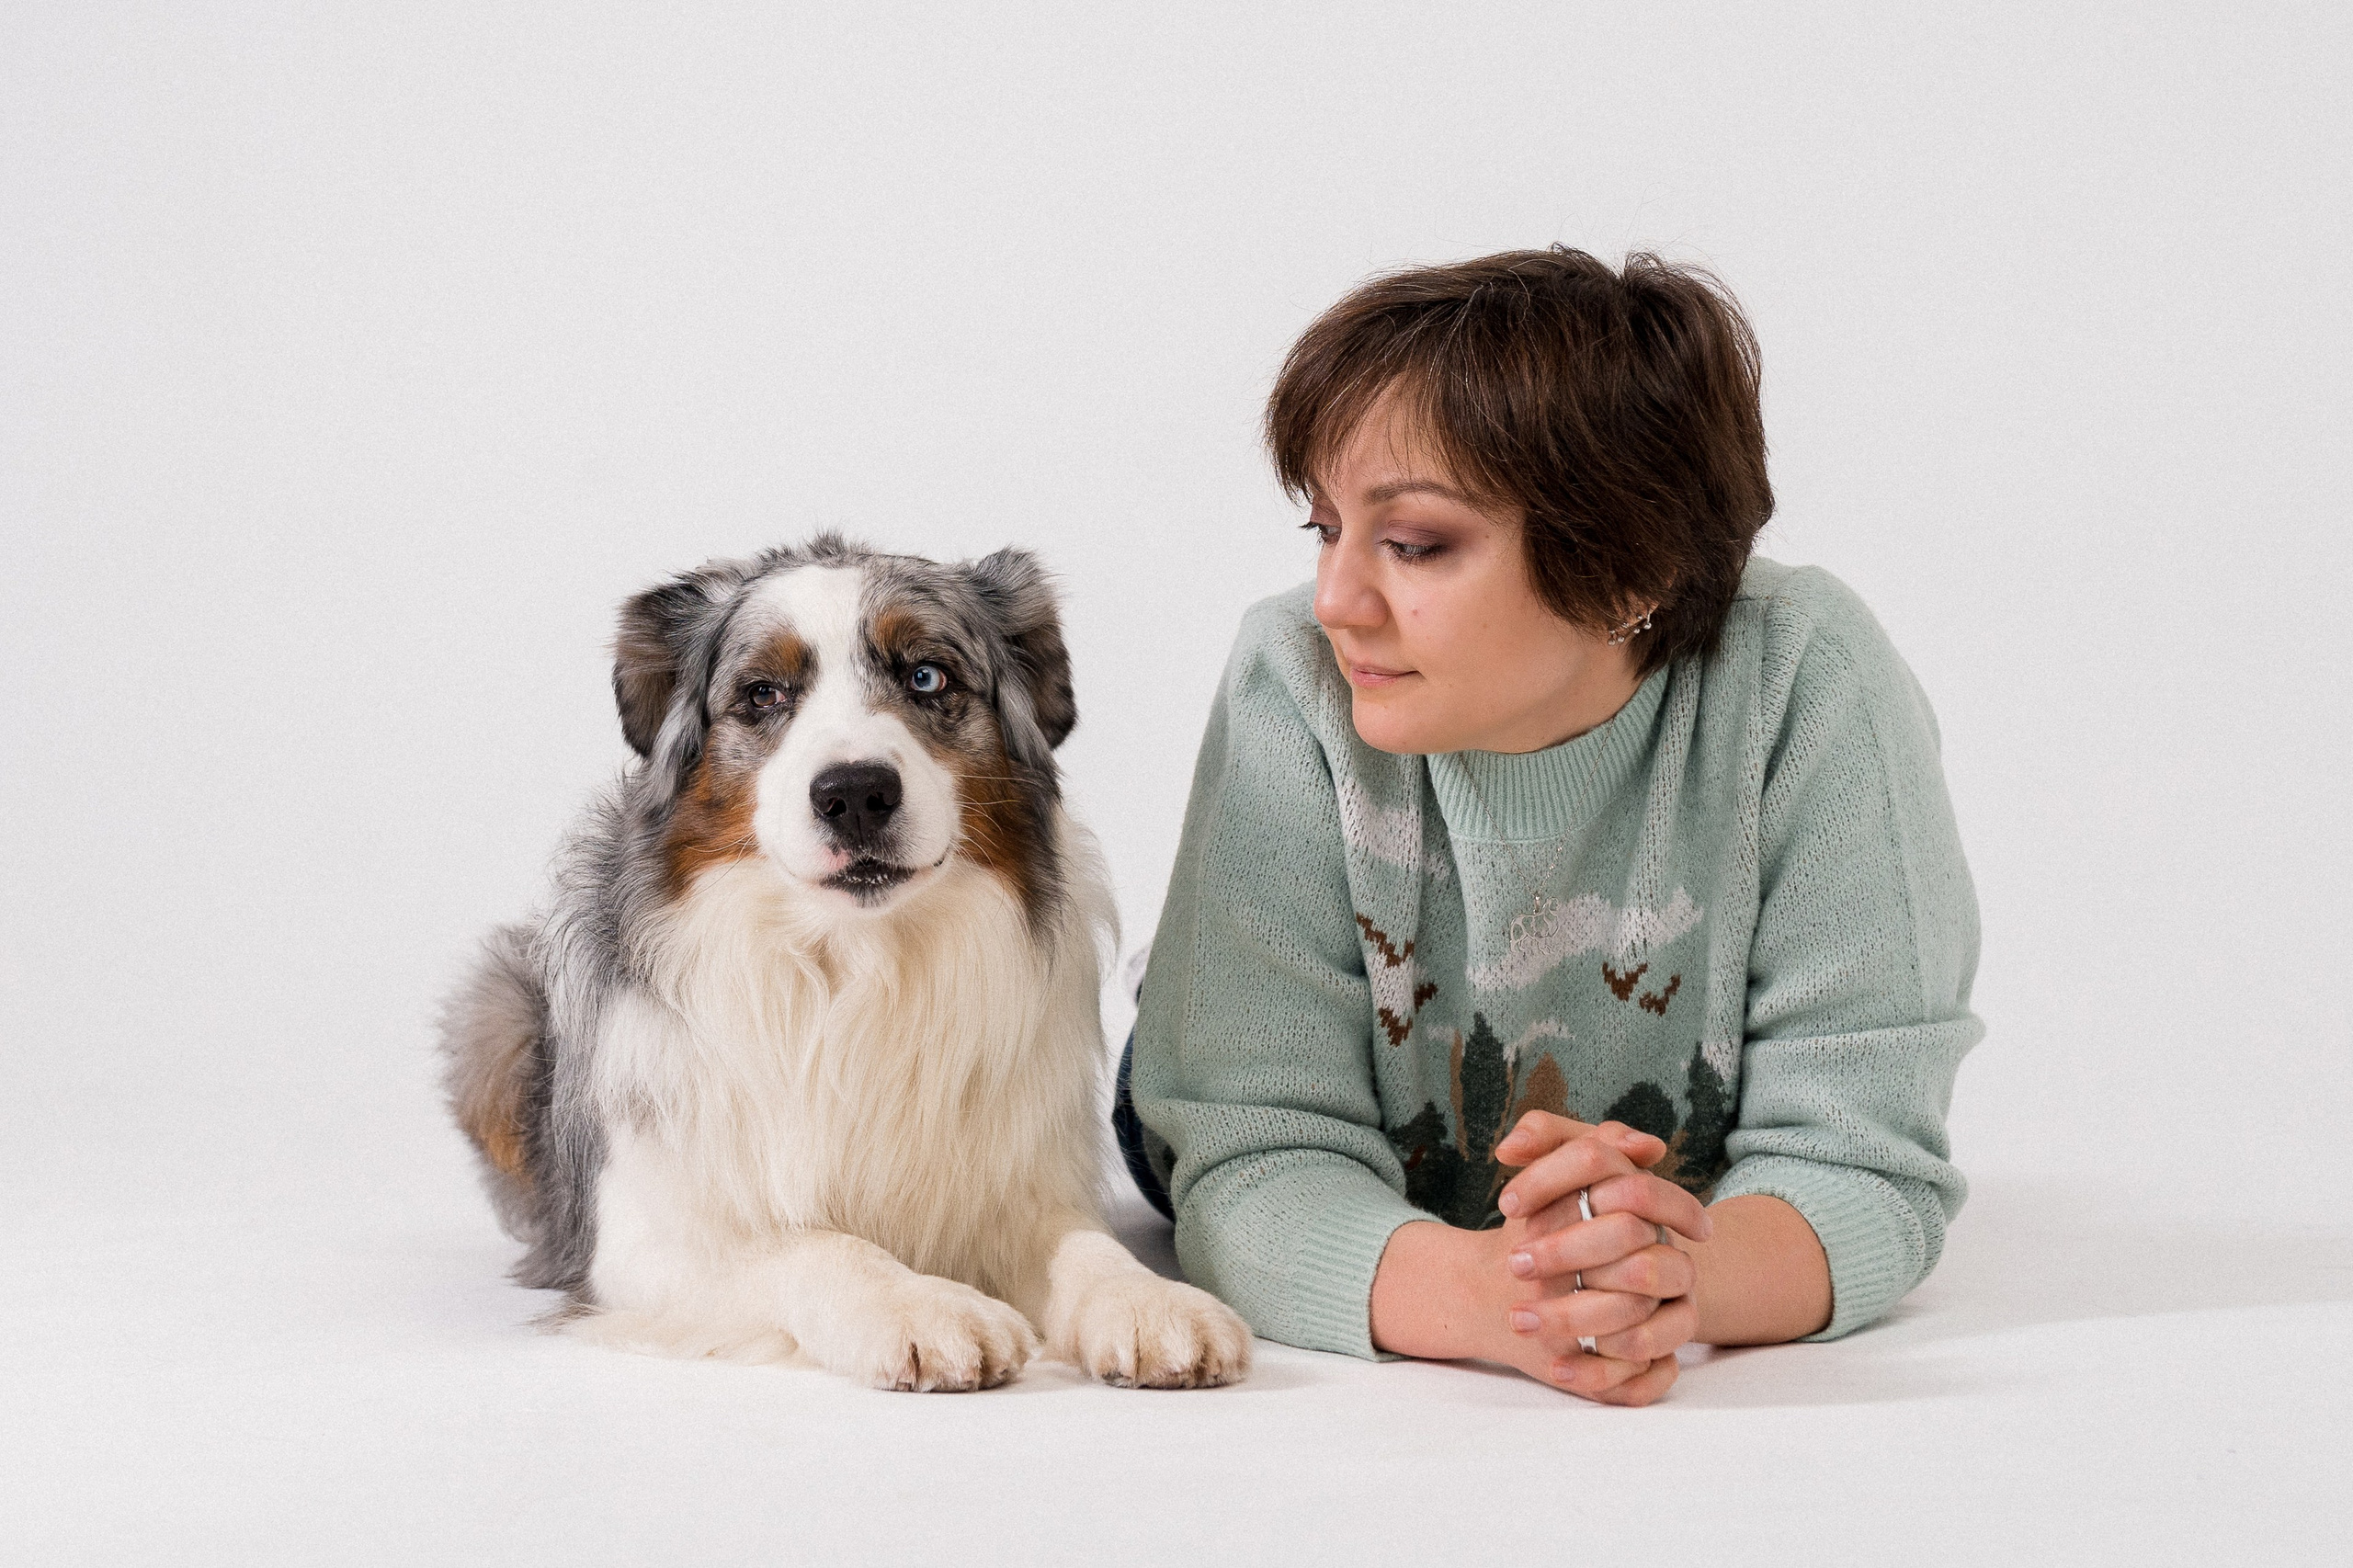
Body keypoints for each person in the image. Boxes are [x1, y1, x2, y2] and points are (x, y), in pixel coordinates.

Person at [1115, 247, 1981, 1405]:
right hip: (1276, 1097)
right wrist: (1504, 1299)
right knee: (1185, 1089)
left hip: (1662, 1189)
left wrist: (1682, 1280)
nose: (1335, 600)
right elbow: (1253, 1155)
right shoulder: (1294, 678)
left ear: (1634, 564)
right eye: (1323, 528)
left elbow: (1865, 1154)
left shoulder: (1805, 677)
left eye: (1413, 542)